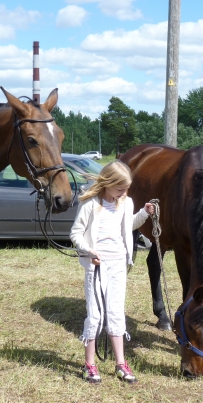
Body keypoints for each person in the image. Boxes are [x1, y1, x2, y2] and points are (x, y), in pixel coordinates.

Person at [70, 160, 155, 385]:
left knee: (116, 313)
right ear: (108, 183)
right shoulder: (90, 204)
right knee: (95, 315)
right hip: (96, 265)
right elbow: (75, 233)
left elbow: (129, 226)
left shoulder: (126, 203)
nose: (123, 193)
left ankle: (121, 364)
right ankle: (90, 365)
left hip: (119, 264)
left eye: (126, 189)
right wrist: (89, 251)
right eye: (120, 189)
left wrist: (144, 214)